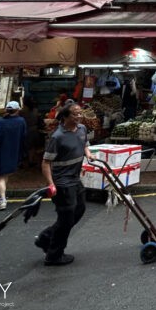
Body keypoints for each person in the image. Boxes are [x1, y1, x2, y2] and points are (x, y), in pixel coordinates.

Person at [37, 103, 93, 266]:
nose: (79, 116)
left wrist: (89, 155)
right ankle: (54, 255)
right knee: (66, 219)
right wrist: (50, 184)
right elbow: (46, 163)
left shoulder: (82, 129)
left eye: (80, 113)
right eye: (75, 114)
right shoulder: (57, 137)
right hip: (62, 183)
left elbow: (85, 144)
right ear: (65, 117)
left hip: (75, 179)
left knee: (80, 209)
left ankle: (46, 237)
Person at [0, 101, 27, 211]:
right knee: (5, 175)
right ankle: (0, 195)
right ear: (17, 110)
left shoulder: (0, 122)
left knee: (0, 177)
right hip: (13, 151)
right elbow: (24, 136)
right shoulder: (21, 121)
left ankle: (2, 200)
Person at [21, 96, 44, 168]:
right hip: (34, 131)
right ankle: (31, 161)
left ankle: (23, 162)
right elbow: (40, 122)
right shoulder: (36, 111)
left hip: (25, 130)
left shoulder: (22, 112)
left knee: (24, 146)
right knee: (32, 147)